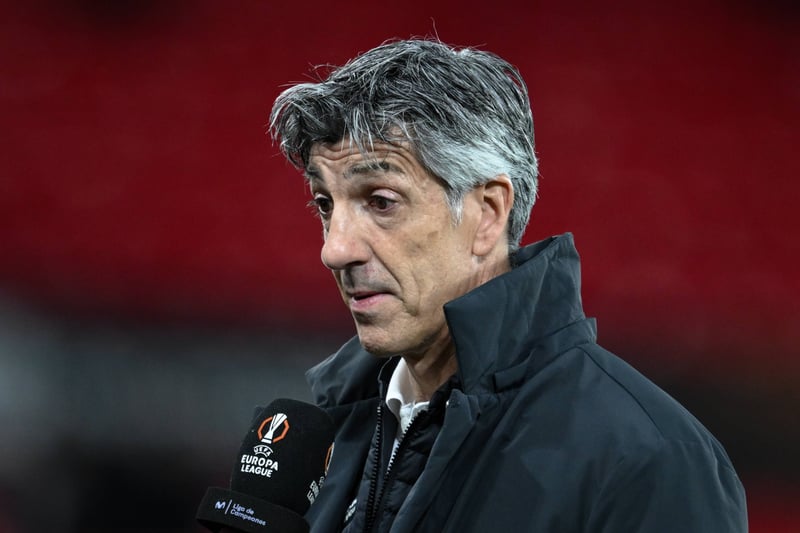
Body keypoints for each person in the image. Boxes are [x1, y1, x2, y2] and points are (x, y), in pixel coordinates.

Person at [269, 38, 747, 532]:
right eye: (325, 204)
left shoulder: (650, 461)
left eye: (381, 201)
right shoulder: (326, 436)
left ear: (488, 214)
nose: (335, 250)